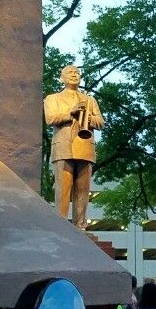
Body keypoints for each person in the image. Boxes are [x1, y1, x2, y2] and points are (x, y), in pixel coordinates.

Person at [43, 65, 104, 230]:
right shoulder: (52, 98)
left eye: (77, 73)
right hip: (63, 147)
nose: (74, 75)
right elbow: (50, 118)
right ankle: (61, 225)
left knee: (83, 191)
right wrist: (72, 112)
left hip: (85, 147)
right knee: (63, 189)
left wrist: (88, 117)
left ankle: (81, 226)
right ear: (62, 78)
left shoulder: (90, 100)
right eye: (70, 73)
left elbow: (100, 122)